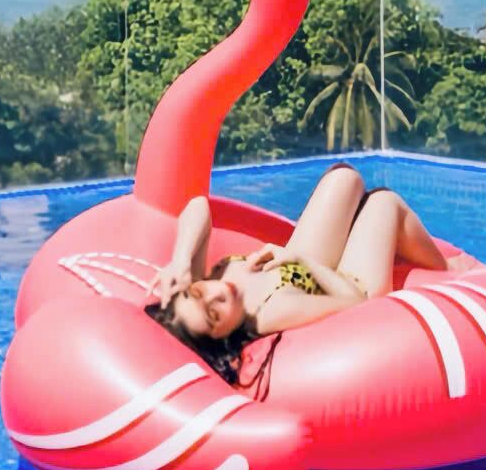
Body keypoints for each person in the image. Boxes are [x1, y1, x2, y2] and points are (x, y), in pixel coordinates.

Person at [146, 164, 459, 382]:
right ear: (225, 339)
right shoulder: (269, 312)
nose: (217, 294)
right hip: (350, 282)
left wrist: (181, 261)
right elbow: (357, 300)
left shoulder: (209, 279)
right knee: (382, 202)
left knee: (344, 178)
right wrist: (299, 259)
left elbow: (199, 206)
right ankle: (446, 269)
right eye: (215, 315)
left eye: (199, 292)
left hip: (301, 264)